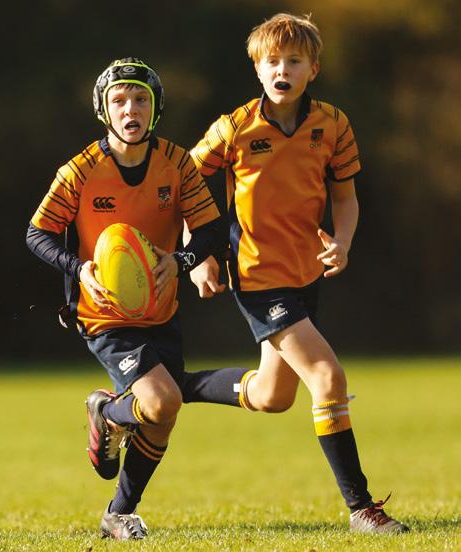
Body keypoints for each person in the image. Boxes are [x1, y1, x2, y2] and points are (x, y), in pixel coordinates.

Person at [185, 13, 409, 533]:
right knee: (327, 378)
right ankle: (361, 508)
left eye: (293, 61)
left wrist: (343, 242)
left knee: (273, 395)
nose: (281, 69)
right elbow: (184, 186)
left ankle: (168, 386)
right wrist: (199, 255)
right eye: (271, 61)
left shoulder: (333, 125)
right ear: (257, 70)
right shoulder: (234, 128)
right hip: (258, 276)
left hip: (305, 275)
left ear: (314, 70)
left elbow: (345, 197)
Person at [26, 58, 229, 541]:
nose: (130, 109)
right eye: (119, 101)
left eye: (141, 99)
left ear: (155, 109)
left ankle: (118, 512)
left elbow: (211, 229)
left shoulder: (177, 163)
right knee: (162, 400)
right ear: (104, 111)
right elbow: (37, 233)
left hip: (161, 309)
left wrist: (180, 261)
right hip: (104, 315)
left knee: (163, 416)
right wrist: (79, 268)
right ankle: (107, 413)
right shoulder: (80, 170)